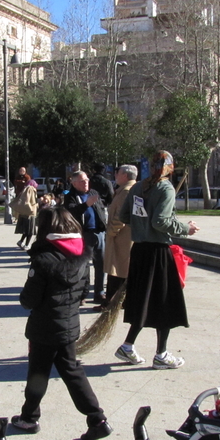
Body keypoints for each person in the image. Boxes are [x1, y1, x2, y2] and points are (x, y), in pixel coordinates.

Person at [10, 206, 112, 440]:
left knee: (38, 372)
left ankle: (29, 418)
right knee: (72, 370)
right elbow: (83, 292)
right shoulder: (82, 254)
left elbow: (29, 300)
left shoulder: (43, 258)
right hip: (68, 324)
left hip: (44, 326)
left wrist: (25, 297)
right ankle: (97, 419)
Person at [115, 151, 199, 369]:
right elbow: (161, 221)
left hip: (140, 251)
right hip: (158, 252)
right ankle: (161, 354)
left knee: (143, 300)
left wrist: (141, 223)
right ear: (171, 167)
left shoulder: (138, 187)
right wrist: (185, 228)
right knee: (164, 302)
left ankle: (128, 346)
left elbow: (124, 216)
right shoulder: (165, 188)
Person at [64, 171, 108, 305]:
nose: (86, 183)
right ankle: (83, 294)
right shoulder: (71, 196)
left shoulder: (93, 193)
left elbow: (100, 210)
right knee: (83, 266)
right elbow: (71, 212)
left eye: (87, 180)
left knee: (101, 265)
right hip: (83, 235)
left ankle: (99, 293)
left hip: (98, 233)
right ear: (74, 182)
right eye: (82, 181)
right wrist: (86, 204)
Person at [102, 165, 138, 306]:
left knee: (118, 270)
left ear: (125, 176)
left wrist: (111, 231)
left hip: (122, 238)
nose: (115, 176)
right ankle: (114, 300)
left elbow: (120, 217)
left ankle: (113, 302)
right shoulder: (126, 190)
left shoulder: (127, 191)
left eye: (118, 173)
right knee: (118, 270)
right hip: (122, 237)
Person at [14, 175, 38, 250]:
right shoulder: (30, 189)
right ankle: (27, 245)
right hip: (30, 213)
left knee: (27, 230)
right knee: (30, 230)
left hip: (25, 213)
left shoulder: (25, 189)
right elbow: (29, 201)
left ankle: (21, 241)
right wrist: (33, 207)